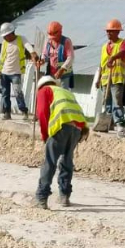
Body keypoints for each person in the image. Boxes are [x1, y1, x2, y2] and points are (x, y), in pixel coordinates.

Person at [33, 74, 89, 210]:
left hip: (61, 127)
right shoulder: (65, 91)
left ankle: (41, 198)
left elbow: (42, 113)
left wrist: (45, 135)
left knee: (50, 162)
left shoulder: (44, 91)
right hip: (77, 129)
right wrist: (84, 129)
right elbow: (78, 110)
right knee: (67, 161)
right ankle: (64, 196)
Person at [0, 22, 29, 121]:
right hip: (4, 72)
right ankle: (7, 113)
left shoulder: (21, 39)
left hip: (16, 73)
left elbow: (28, 46)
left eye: (5, 36)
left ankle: (24, 110)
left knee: (18, 92)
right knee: (5, 94)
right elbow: (1, 57)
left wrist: (33, 53)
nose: (4, 38)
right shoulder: (4, 43)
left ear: (11, 33)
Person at [98, 18, 125, 132]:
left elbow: (123, 52)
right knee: (107, 102)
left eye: (111, 31)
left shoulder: (123, 43)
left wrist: (113, 57)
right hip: (105, 79)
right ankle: (108, 123)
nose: (108, 33)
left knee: (117, 101)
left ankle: (120, 122)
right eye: (107, 31)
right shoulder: (103, 47)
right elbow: (101, 64)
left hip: (117, 77)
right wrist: (98, 78)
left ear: (117, 32)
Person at [39, 21, 74, 89]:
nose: (53, 38)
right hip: (51, 74)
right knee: (52, 92)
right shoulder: (48, 41)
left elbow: (71, 57)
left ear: (60, 32)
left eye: (55, 36)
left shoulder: (66, 41)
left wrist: (62, 69)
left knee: (63, 93)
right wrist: (42, 60)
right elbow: (45, 54)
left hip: (64, 74)